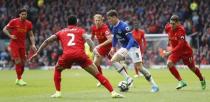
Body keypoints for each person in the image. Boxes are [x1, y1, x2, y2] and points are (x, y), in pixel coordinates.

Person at [30, 15, 124, 98]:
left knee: (57, 69)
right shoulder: (80, 30)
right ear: (76, 23)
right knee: (97, 74)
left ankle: (58, 92)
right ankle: (113, 92)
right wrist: (94, 49)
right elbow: (88, 39)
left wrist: (37, 52)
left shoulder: (61, 31)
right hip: (80, 55)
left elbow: (47, 41)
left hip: (67, 55)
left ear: (67, 23)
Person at [106, 10, 159, 92]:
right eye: (108, 19)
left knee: (140, 68)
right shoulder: (113, 27)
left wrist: (127, 49)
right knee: (113, 60)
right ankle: (128, 78)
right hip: (124, 47)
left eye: (109, 19)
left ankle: (154, 85)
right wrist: (113, 47)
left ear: (115, 17)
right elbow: (115, 38)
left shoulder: (124, 26)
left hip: (133, 47)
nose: (109, 21)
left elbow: (131, 39)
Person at [163, 15, 206, 90]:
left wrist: (169, 52)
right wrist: (169, 42)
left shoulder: (181, 30)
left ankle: (202, 79)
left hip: (185, 52)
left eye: (173, 24)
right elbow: (168, 34)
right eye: (171, 23)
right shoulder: (168, 27)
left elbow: (180, 45)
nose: (172, 25)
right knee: (169, 64)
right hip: (176, 52)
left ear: (178, 23)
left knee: (192, 68)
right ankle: (181, 81)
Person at [91, 14, 133, 87]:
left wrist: (99, 46)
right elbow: (91, 38)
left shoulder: (105, 28)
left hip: (109, 48)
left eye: (99, 20)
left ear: (102, 21)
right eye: (96, 20)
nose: (97, 22)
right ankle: (101, 80)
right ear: (94, 21)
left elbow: (110, 40)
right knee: (95, 63)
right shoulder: (94, 28)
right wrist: (91, 47)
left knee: (116, 64)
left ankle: (128, 79)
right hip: (102, 48)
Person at [3, 8, 37, 86]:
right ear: (19, 15)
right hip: (14, 44)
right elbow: (4, 29)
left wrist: (33, 44)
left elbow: (31, 35)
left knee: (23, 63)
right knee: (17, 61)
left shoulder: (28, 23)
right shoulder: (14, 21)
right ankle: (19, 79)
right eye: (22, 14)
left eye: (25, 14)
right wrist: (10, 35)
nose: (24, 16)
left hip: (22, 45)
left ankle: (19, 78)